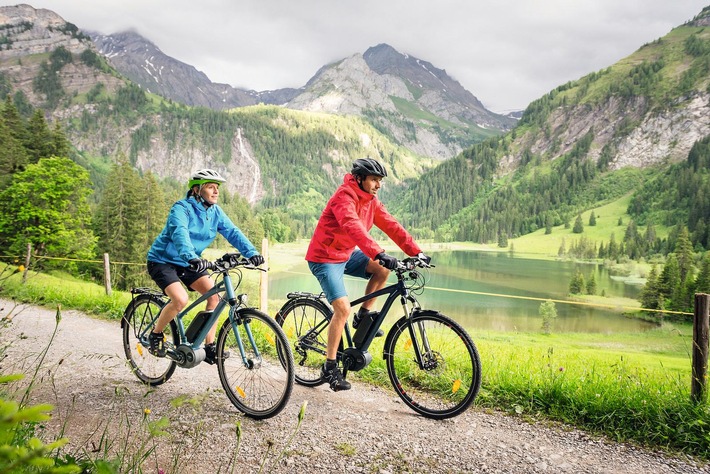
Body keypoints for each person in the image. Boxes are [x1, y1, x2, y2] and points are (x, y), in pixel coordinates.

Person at [306, 157, 430, 391]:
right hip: (324, 257)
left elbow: (392, 225)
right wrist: (378, 252)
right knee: (342, 307)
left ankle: (363, 316)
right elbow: (353, 227)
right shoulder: (344, 197)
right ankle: (330, 367)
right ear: (360, 178)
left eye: (380, 180)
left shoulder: (371, 201)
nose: (378, 185)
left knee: (382, 269)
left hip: (345, 254)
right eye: (374, 179)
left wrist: (417, 252)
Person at [146, 168, 265, 364]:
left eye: (217, 188)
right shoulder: (181, 208)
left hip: (189, 262)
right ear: (196, 190)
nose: (216, 191)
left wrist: (251, 253)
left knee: (216, 298)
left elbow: (232, 232)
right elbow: (179, 233)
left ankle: (210, 347)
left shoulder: (215, 212)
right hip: (163, 260)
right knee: (180, 299)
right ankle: (156, 335)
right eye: (211, 187)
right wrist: (191, 256)